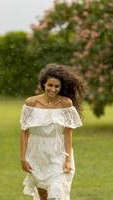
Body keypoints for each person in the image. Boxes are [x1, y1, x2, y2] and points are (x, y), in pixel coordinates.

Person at [19, 63, 86, 200]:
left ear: (61, 87)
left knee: (57, 193)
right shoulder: (31, 103)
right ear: (44, 84)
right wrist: (23, 159)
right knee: (43, 196)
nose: (53, 89)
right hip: (36, 154)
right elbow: (24, 133)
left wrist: (67, 160)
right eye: (50, 85)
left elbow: (68, 132)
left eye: (57, 86)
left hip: (58, 154)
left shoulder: (66, 103)